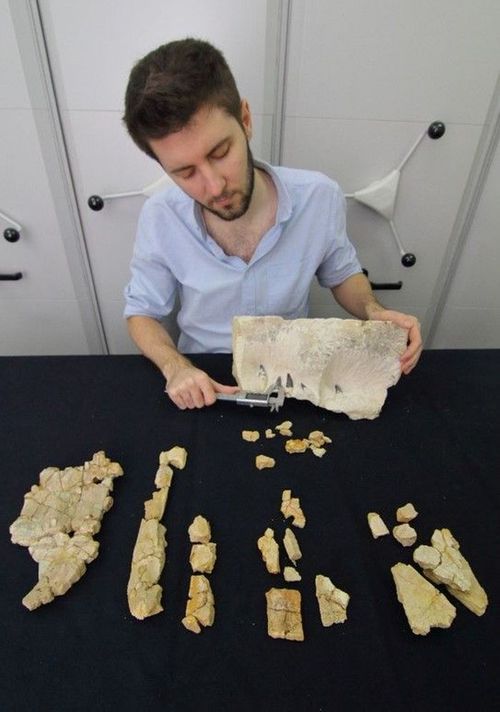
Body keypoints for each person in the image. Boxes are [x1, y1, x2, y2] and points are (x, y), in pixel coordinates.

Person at [123, 38, 422, 410]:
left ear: (245, 120)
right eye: (185, 173)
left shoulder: (319, 196)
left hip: (293, 379)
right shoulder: (160, 216)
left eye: (220, 153)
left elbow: (342, 275)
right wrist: (175, 367)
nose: (214, 187)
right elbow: (142, 313)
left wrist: (375, 312)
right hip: (205, 380)